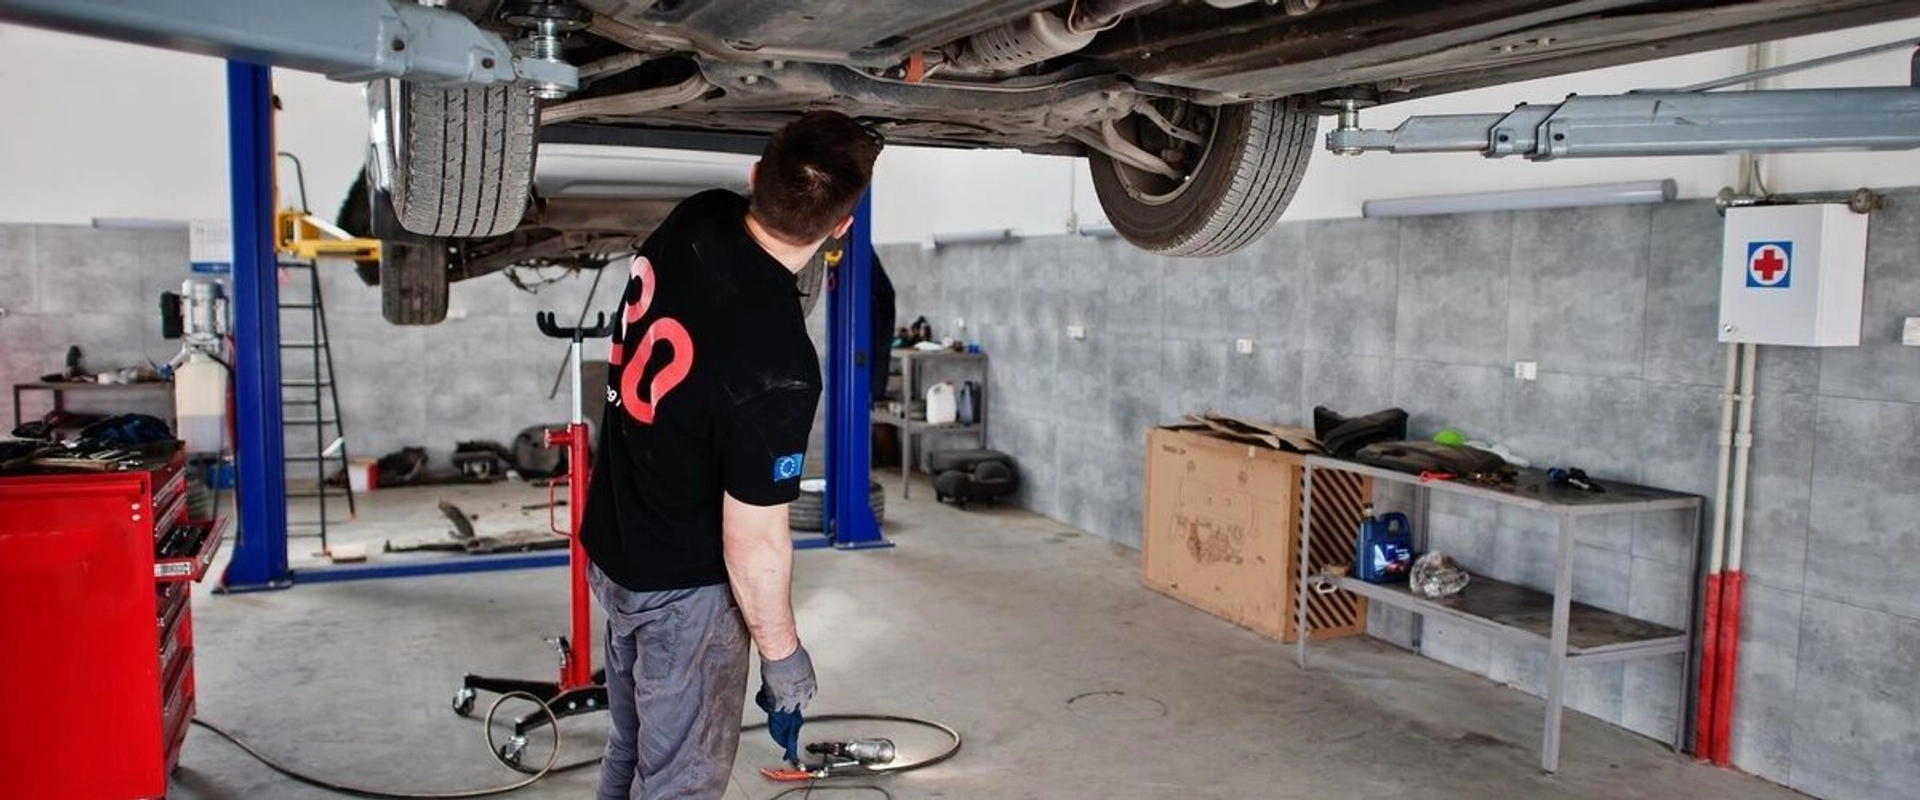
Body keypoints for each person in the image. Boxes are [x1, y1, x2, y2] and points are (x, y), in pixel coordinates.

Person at [579, 111, 884, 800]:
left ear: (754, 177)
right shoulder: (781, 369)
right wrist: (783, 657)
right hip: (680, 595)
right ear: (841, 227)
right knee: (679, 782)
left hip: (617, 548)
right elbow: (754, 543)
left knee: (631, 746)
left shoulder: (697, 217)